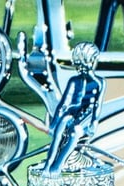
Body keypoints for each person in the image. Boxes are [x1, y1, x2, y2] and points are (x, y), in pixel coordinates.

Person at [43, 42, 104, 175]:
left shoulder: (99, 82)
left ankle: (57, 167)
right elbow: (65, 103)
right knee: (61, 129)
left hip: (85, 119)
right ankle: (48, 166)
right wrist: (55, 122)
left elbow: (97, 106)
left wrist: (94, 123)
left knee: (74, 132)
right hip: (72, 114)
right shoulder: (74, 81)